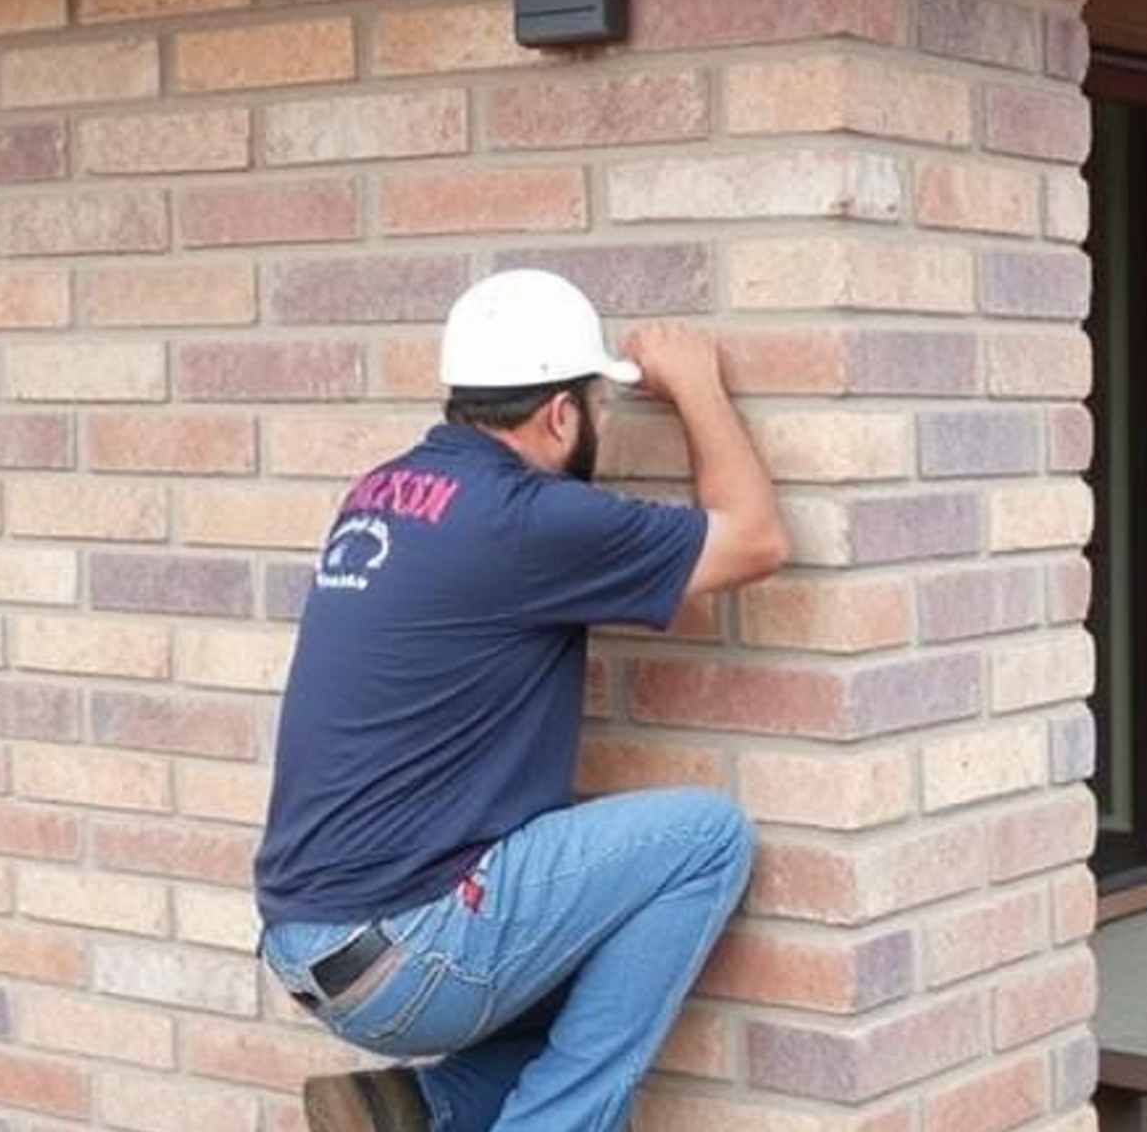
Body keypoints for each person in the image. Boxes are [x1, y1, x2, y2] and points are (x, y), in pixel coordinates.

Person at [252, 269, 789, 1132]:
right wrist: (696, 385)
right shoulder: (524, 517)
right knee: (703, 841)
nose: (601, 426)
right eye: (599, 408)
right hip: (408, 952)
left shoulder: (384, 489)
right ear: (561, 415)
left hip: (310, 943)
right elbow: (754, 540)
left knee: (607, 952)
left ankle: (423, 1109)